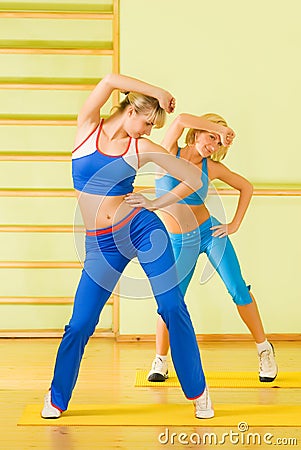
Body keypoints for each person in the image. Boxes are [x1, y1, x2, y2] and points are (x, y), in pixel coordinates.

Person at [41, 74, 214, 420]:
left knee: (171, 305)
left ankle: (198, 392)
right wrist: (159, 92)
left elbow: (194, 178)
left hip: (141, 229)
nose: (149, 131)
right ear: (131, 110)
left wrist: (156, 203)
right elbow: (108, 81)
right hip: (101, 244)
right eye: (148, 122)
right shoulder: (87, 127)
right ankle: (57, 397)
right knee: (80, 323)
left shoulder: (142, 148)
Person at [125, 112, 278, 384]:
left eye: (219, 142)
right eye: (211, 137)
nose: (214, 144)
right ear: (197, 133)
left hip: (210, 233)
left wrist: (234, 224)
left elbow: (247, 187)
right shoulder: (169, 153)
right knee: (170, 301)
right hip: (179, 242)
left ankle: (264, 349)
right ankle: (161, 359)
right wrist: (223, 128)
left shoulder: (212, 168)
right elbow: (181, 119)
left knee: (239, 291)